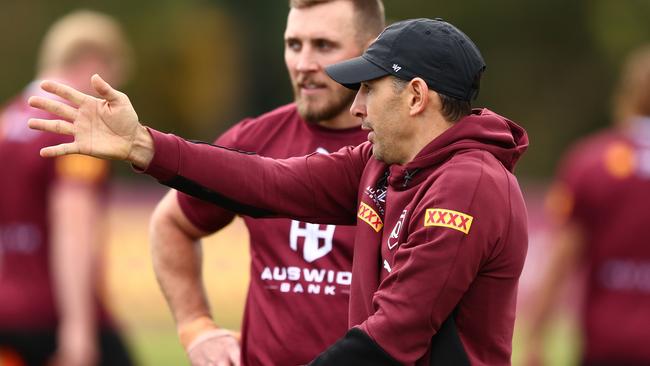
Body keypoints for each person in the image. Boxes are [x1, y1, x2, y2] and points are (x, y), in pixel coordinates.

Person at [27, 17, 530, 366]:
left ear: (417, 96)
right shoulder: (382, 162)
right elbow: (271, 182)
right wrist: (144, 144)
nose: (356, 109)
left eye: (369, 90)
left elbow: (392, 337)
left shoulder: (469, 186)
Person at [148, 1, 384, 365]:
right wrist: (196, 327)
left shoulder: (400, 151)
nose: (304, 64)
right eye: (294, 45)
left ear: (372, 51)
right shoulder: (256, 140)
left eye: (324, 45)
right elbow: (171, 222)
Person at [0, 10, 134, 366]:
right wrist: (78, 327)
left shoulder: (5, 123)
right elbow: (73, 229)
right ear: (94, 63)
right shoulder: (73, 129)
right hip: (51, 313)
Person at [524, 45, 650, 366]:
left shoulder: (592, 161)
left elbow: (563, 257)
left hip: (610, 342)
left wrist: (536, 335)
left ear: (628, 94)